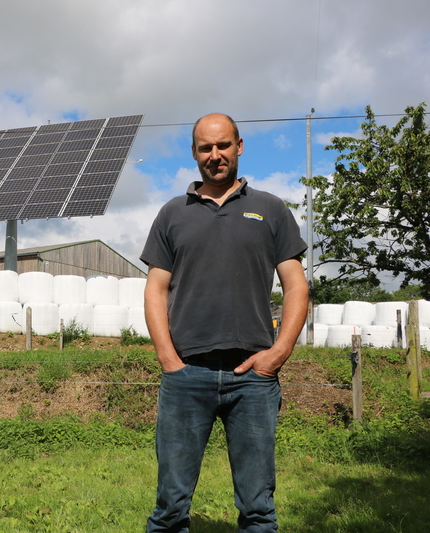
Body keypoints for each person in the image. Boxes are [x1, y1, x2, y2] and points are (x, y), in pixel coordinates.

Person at [140, 113, 309, 532]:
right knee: (170, 506)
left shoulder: (270, 209)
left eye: (223, 145)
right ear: (194, 153)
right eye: (205, 148)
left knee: (258, 508)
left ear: (239, 146)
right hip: (186, 375)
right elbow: (155, 290)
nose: (214, 155)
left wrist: (278, 354)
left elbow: (296, 286)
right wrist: (169, 360)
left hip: (253, 377)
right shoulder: (172, 213)